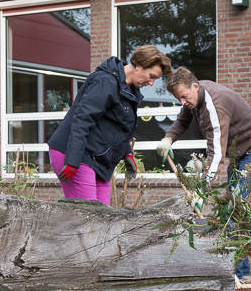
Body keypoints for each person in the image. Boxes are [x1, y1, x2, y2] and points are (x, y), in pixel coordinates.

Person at [157, 67, 251, 281]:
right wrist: (168, 138)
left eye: (184, 97)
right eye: (178, 99)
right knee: (232, 207)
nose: (182, 102)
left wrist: (201, 191)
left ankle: (238, 276)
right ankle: (239, 271)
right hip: (240, 152)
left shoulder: (214, 105)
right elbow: (182, 121)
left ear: (195, 86)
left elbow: (216, 154)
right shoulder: (193, 97)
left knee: (235, 209)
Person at [47, 45, 172, 205]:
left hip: (97, 158)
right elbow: (82, 119)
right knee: (87, 218)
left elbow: (118, 127)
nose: (152, 83)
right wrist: (72, 161)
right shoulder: (105, 82)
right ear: (139, 65)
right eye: (151, 75)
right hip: (74, 153)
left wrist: (126, 152)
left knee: (103, 217)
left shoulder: (129, 90)